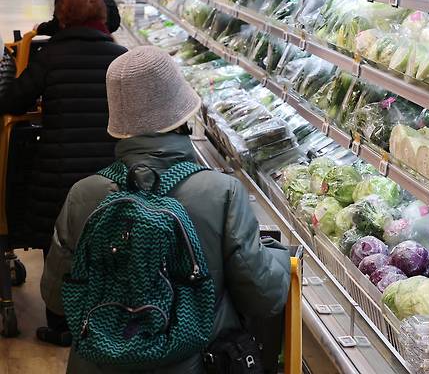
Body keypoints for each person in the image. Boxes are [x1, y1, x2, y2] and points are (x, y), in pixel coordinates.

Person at [40, 45, 291, 373]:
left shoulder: (83, 195)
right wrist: (277, 255)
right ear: (183, 114)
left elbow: (56, 297)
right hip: (197, 363)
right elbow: (264, 296)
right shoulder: (222, 193)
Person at [0, 0, 126, 345]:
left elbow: (13, 100)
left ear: (62, 17)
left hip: (57, 173)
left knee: (58, 244)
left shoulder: (50, 56)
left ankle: (60, 322)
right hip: (108, 172)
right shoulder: (119, 58)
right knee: (104, 244)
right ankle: (102, 316)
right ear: (103, 16)